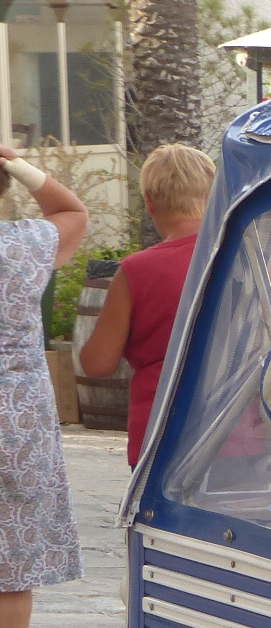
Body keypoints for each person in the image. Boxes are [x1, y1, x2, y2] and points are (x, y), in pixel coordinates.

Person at [0, 146, 89, 628]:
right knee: (11, 561)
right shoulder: (23, 246)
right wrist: (21, 166)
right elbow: (73, 211)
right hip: (18, 417)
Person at [78, 144, 214, 468]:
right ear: (214, 197)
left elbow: (97, 364)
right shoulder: (247, 258)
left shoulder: (136, 271)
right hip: (238, 431)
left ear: (150, 203)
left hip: (163, 433)